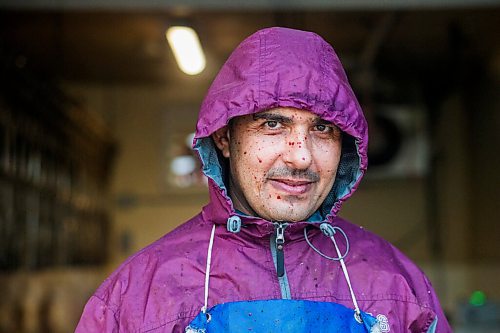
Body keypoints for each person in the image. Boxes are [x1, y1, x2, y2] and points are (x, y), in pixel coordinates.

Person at [76, 27, 451, 332]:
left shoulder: (398, 288)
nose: (301, 155)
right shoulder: (139, 296)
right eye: (272, 124)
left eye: (322, 129)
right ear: (224, 137)